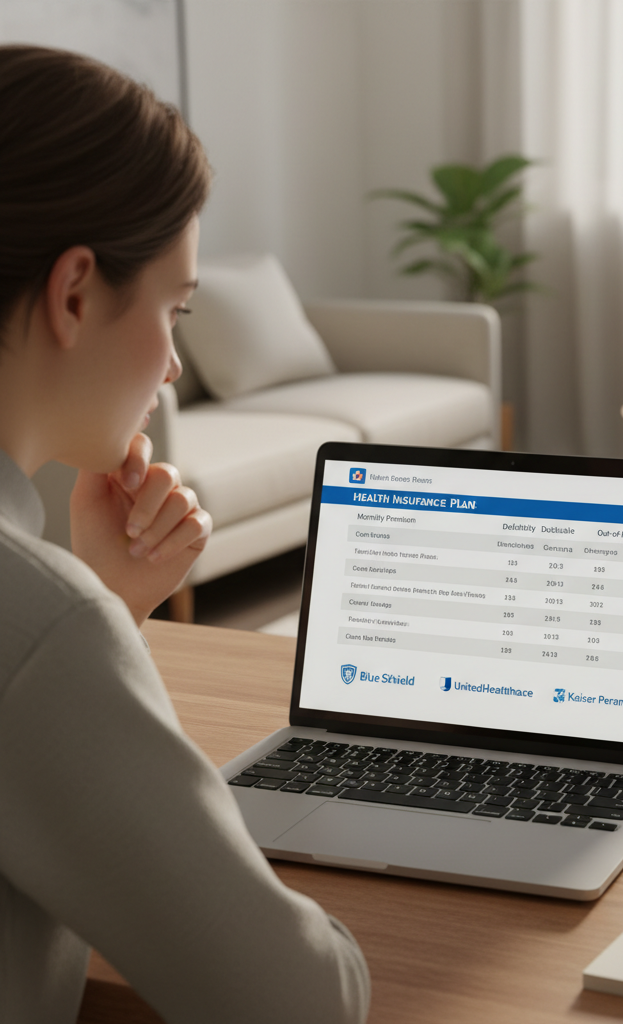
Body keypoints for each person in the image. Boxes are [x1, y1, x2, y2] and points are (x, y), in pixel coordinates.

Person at [0, 46, 369, 1023]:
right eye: (176, 308)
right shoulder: (41, 626)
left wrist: (105, 605)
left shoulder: (45, 621)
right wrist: (82, 623)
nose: (170, 364)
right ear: (74, 293)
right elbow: (300, 1004)